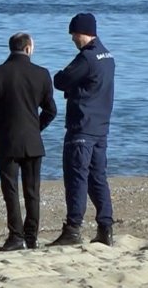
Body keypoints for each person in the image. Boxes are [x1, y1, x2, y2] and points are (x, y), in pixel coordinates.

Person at [0, 33, 57, 252]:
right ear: (28, 48)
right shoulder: (42, 74)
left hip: (7, 141)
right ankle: (31, 236)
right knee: (32, 191)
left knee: (11, 191)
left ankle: (16, 236)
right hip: (32, 141)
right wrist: (37, 127)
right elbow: (51, 110)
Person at [49, 13, 116, 247]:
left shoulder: (87, 58)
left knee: (76, 177)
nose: (72, 40)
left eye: (73, 35)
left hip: (82, 127)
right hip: (100, 127)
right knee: (98, 177)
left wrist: (70, 87)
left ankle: (73, 228)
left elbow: (61, 80)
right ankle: (105, 227)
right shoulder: (107, 55)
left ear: (81, 33)